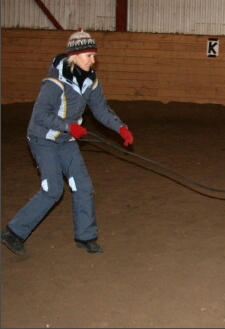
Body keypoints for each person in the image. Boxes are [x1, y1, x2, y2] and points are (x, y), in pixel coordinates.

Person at [1, 29, 134, 256]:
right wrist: (69, 126)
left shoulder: (90, 81)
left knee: (83, 185)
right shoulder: (54, 82)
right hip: (43, 139)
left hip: (66, 140)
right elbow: (41, 115)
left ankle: (86, 237)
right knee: (52, 189)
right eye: (89, 56)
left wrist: (120, 127)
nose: (94, 60)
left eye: (94, 56)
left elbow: (101, 109)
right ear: (75, 56)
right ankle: (13, 232)